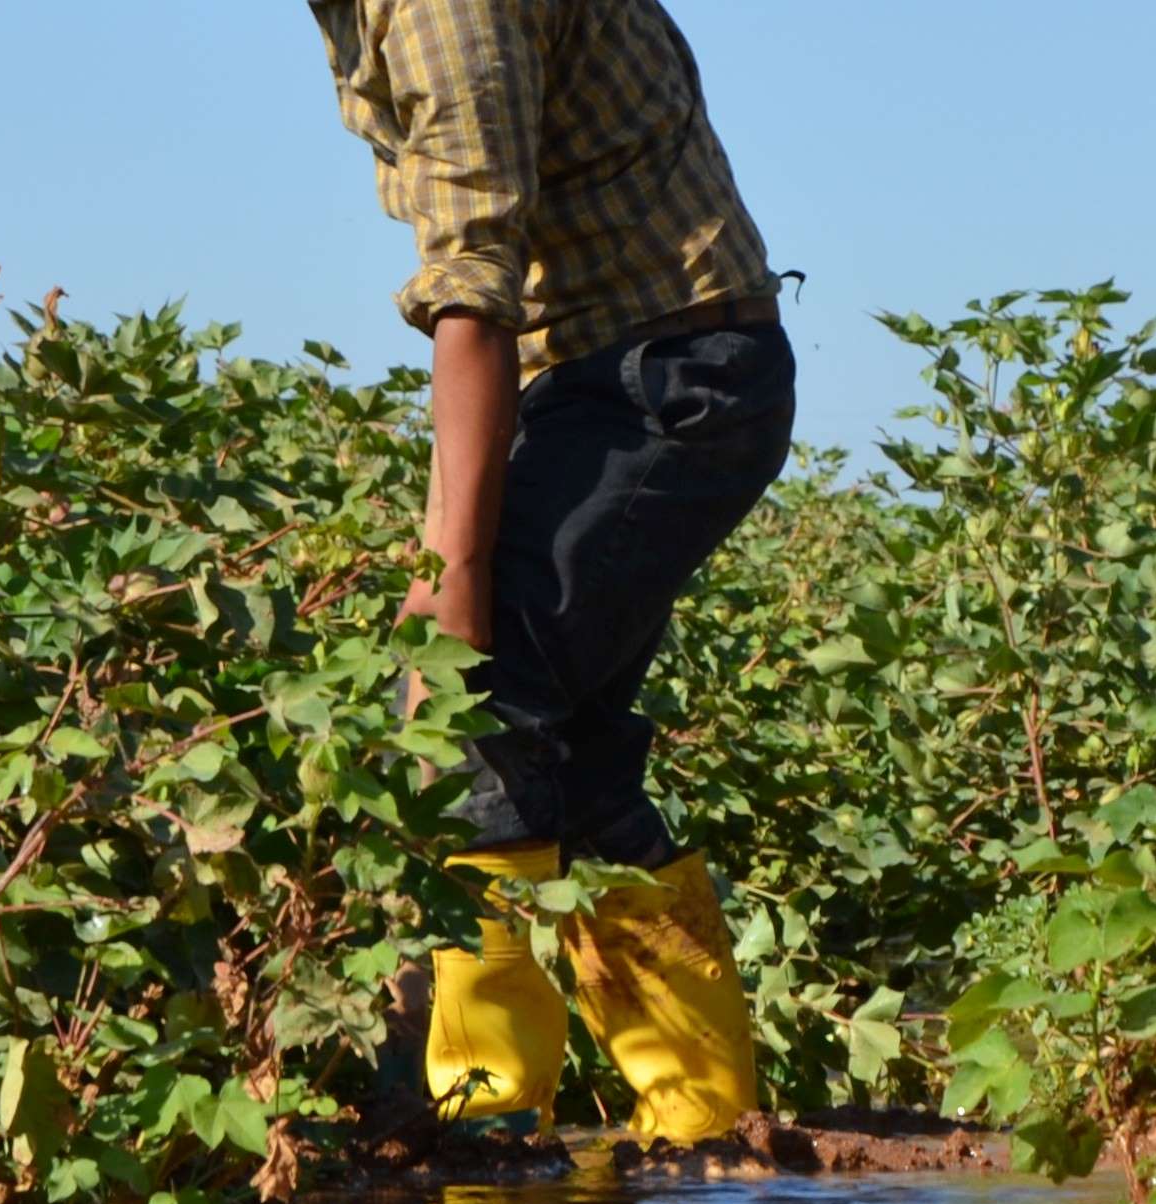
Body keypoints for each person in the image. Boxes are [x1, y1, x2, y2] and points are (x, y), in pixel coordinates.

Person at [308, 0, 795, 1144]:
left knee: (478, 703)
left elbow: (473, 291)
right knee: (566, 757)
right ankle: (705, 1122)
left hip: (666, 379)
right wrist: (443, 560)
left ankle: (484, 1138)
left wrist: (462, 573)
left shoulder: (440, 10)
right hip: (626, 376)